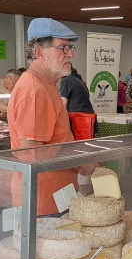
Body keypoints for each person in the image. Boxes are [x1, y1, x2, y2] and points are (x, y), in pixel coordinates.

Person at [7, 18, 95, 216]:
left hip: (55, 195)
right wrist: (81, 162)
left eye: (70, 47)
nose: (70, 54)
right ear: (39, 52)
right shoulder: (35, 90)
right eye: (63, 48)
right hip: (42, 203)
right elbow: (31, 153)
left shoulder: (46, 86)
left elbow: (54, 141)